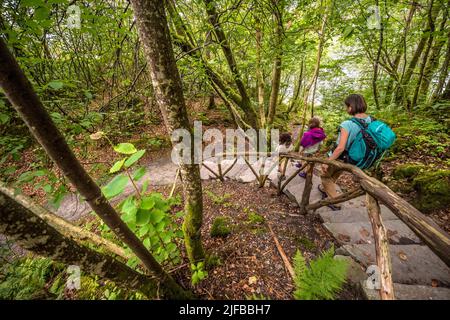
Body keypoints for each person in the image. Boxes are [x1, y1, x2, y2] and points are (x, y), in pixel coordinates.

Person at [319, 93, 371, 211]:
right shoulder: (371, 121)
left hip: (341, 156)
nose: (346, 108)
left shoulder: (347, 124)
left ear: (351, 107)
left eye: (346, 106)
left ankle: (335, 202)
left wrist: (327, 161)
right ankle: (326, 189)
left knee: (325, 176)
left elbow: (340, 147)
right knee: (335, 173)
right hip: (355, 158)